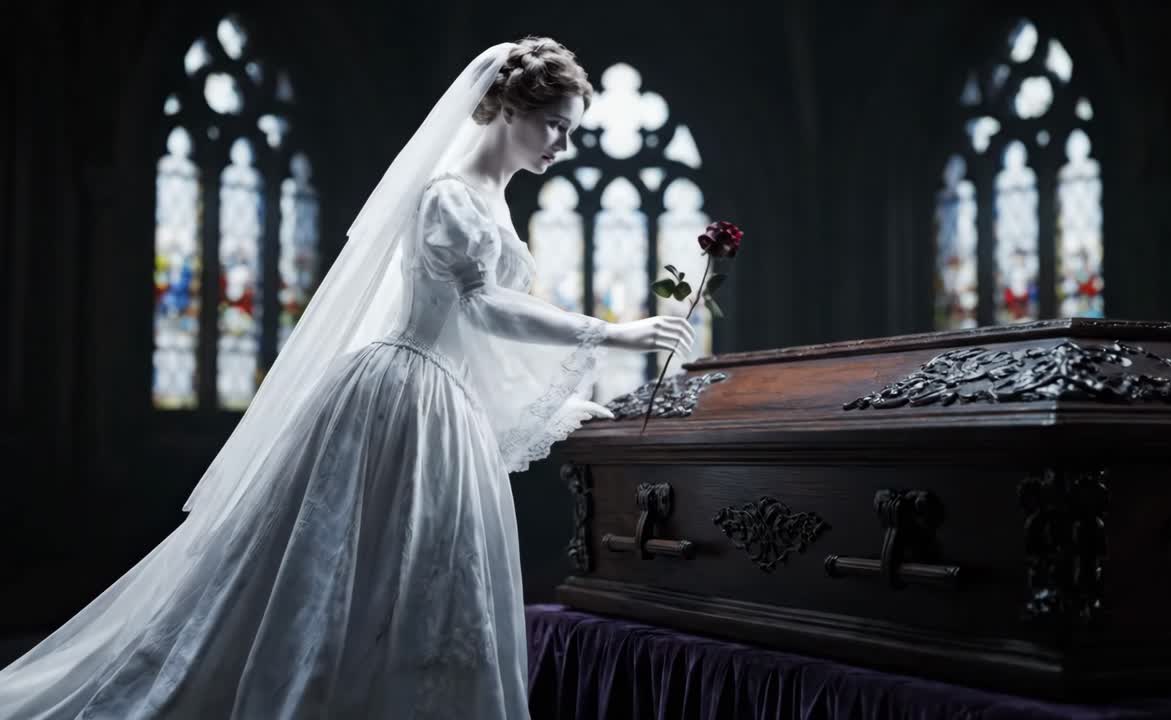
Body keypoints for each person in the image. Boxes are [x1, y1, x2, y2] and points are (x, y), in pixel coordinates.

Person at [0, 36, 694, 719]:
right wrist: (610, 332)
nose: (561, 147)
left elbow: (475, 338)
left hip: (443, 399)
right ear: (509, 108)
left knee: (429, 578)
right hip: (399, 397)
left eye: (569, 131)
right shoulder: (447, 196)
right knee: (350, 573)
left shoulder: (495, 198)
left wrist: (565, 400)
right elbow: (478, 307)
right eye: (555, 126)